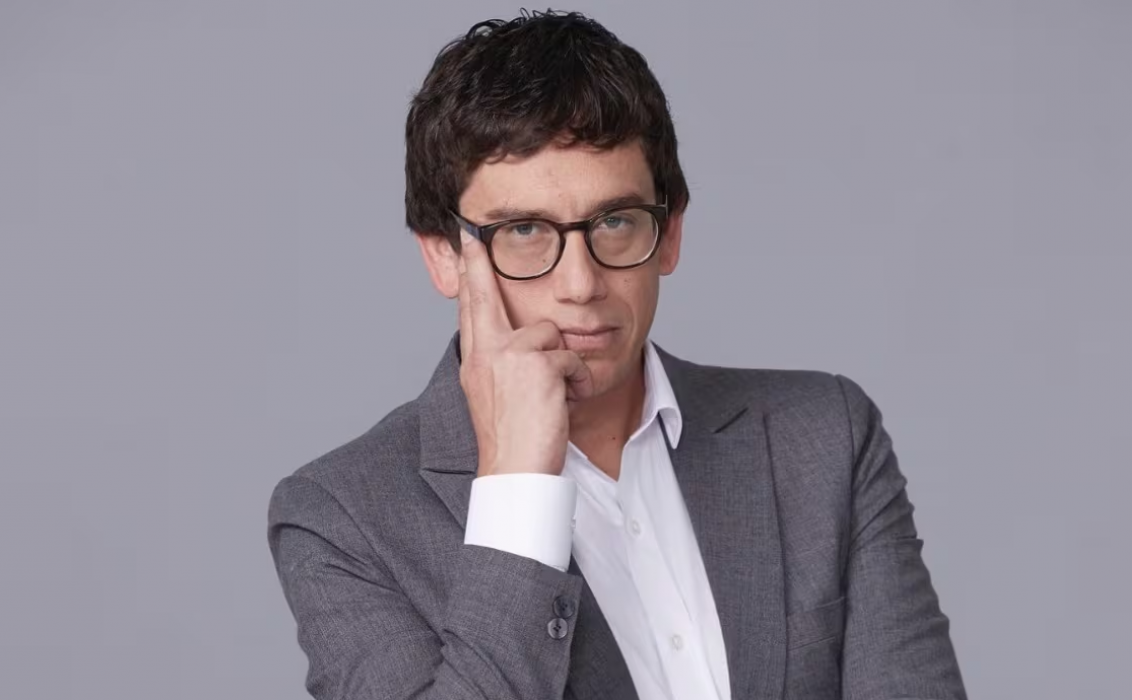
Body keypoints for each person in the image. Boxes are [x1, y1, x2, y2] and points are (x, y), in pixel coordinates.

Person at [267, 10, 966, 700]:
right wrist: (518, 490)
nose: (582, 284)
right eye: (524, 232)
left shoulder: (823, 437)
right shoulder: (341, 517)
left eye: (616, 221)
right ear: (444, 257)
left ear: (670, 234)